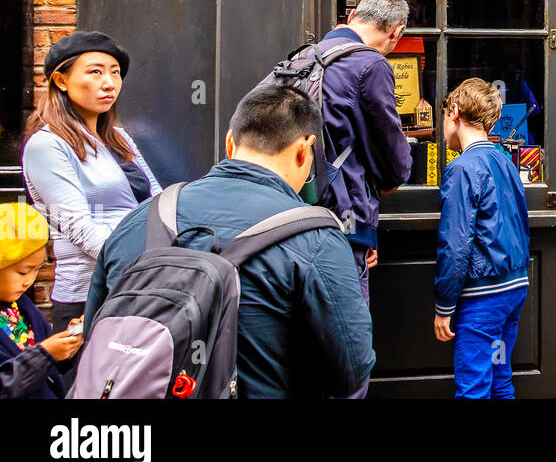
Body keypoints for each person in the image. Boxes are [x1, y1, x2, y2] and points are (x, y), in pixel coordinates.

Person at [84, 84, 375, 398]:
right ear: (305, 149)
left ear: (230, 142)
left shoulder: (141, 217)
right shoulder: (316, 237)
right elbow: (351, 372)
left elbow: (95, 335)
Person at [22, 31, 161, 340]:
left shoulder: (120, 137)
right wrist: (140, 264)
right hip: (89, 294)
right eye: (95, 72)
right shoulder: (47, 145)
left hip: (138, 285)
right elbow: (77, 226)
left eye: (115, 73)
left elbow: (157, 199)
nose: (109, 82)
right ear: (61, 80)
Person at [434, 79, 531, 399]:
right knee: (500, 374)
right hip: (513, 288)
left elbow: (455, 243)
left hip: (483, 297)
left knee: (473, 385)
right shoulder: (505, 160)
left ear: (455, 112)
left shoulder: (462, 169)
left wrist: (444, 304)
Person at [317, 0, 415, 299]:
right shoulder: (371, 66)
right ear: (396, 33)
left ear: (351, 19)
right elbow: (395, 164)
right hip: (343, 228)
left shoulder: (304, 58)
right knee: (350, 336)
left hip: (295, 221)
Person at [0, 203, 82, 398]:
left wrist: (66, 346)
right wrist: (47, 353)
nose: (29, 280)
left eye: (36, 270)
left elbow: (47, 368)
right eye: (22, 272)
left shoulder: (22, 306)